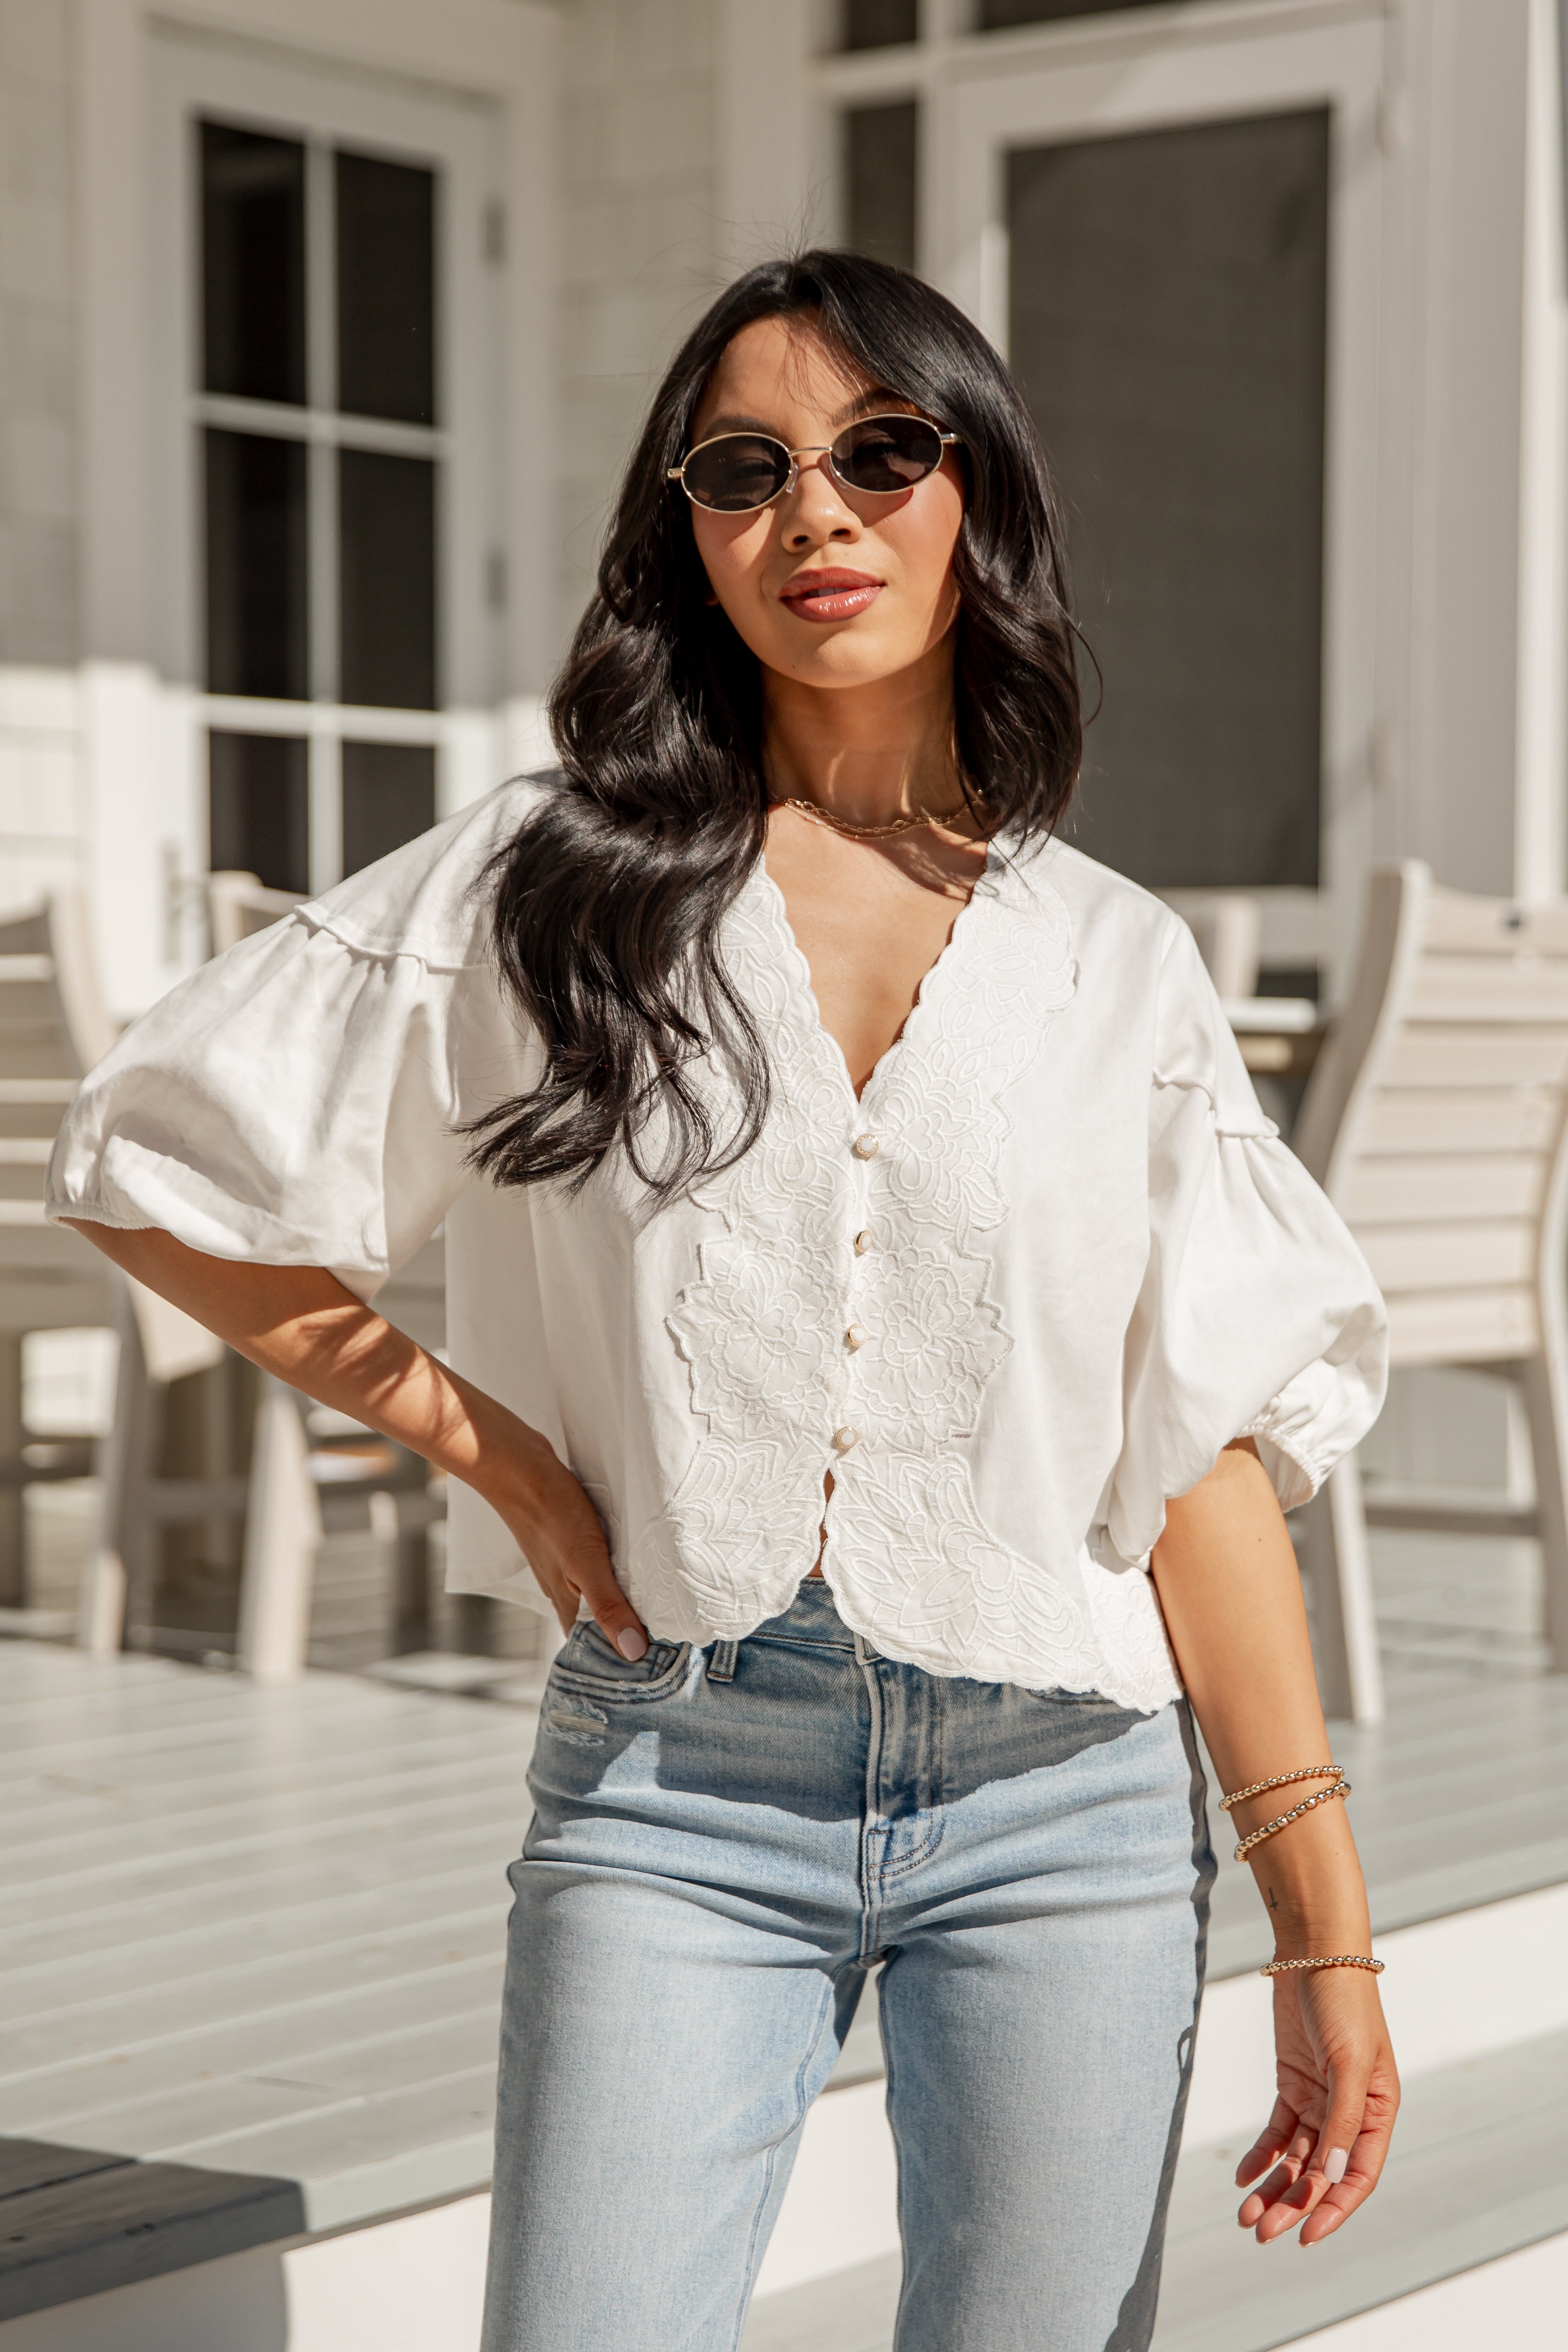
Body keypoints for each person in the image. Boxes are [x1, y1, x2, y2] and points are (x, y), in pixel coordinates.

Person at [49, 251, 1397, 2351]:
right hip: (675, 1780)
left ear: (980, 501)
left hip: (1071, 1799)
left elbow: (1200, 1443)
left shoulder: (1114, 959)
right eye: (744, 467)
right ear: (685, 530)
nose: (815, 515)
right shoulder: (553, 878)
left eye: (880, 452)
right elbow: (144, 1162)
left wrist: (1325, 1930)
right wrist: (489, 1447)